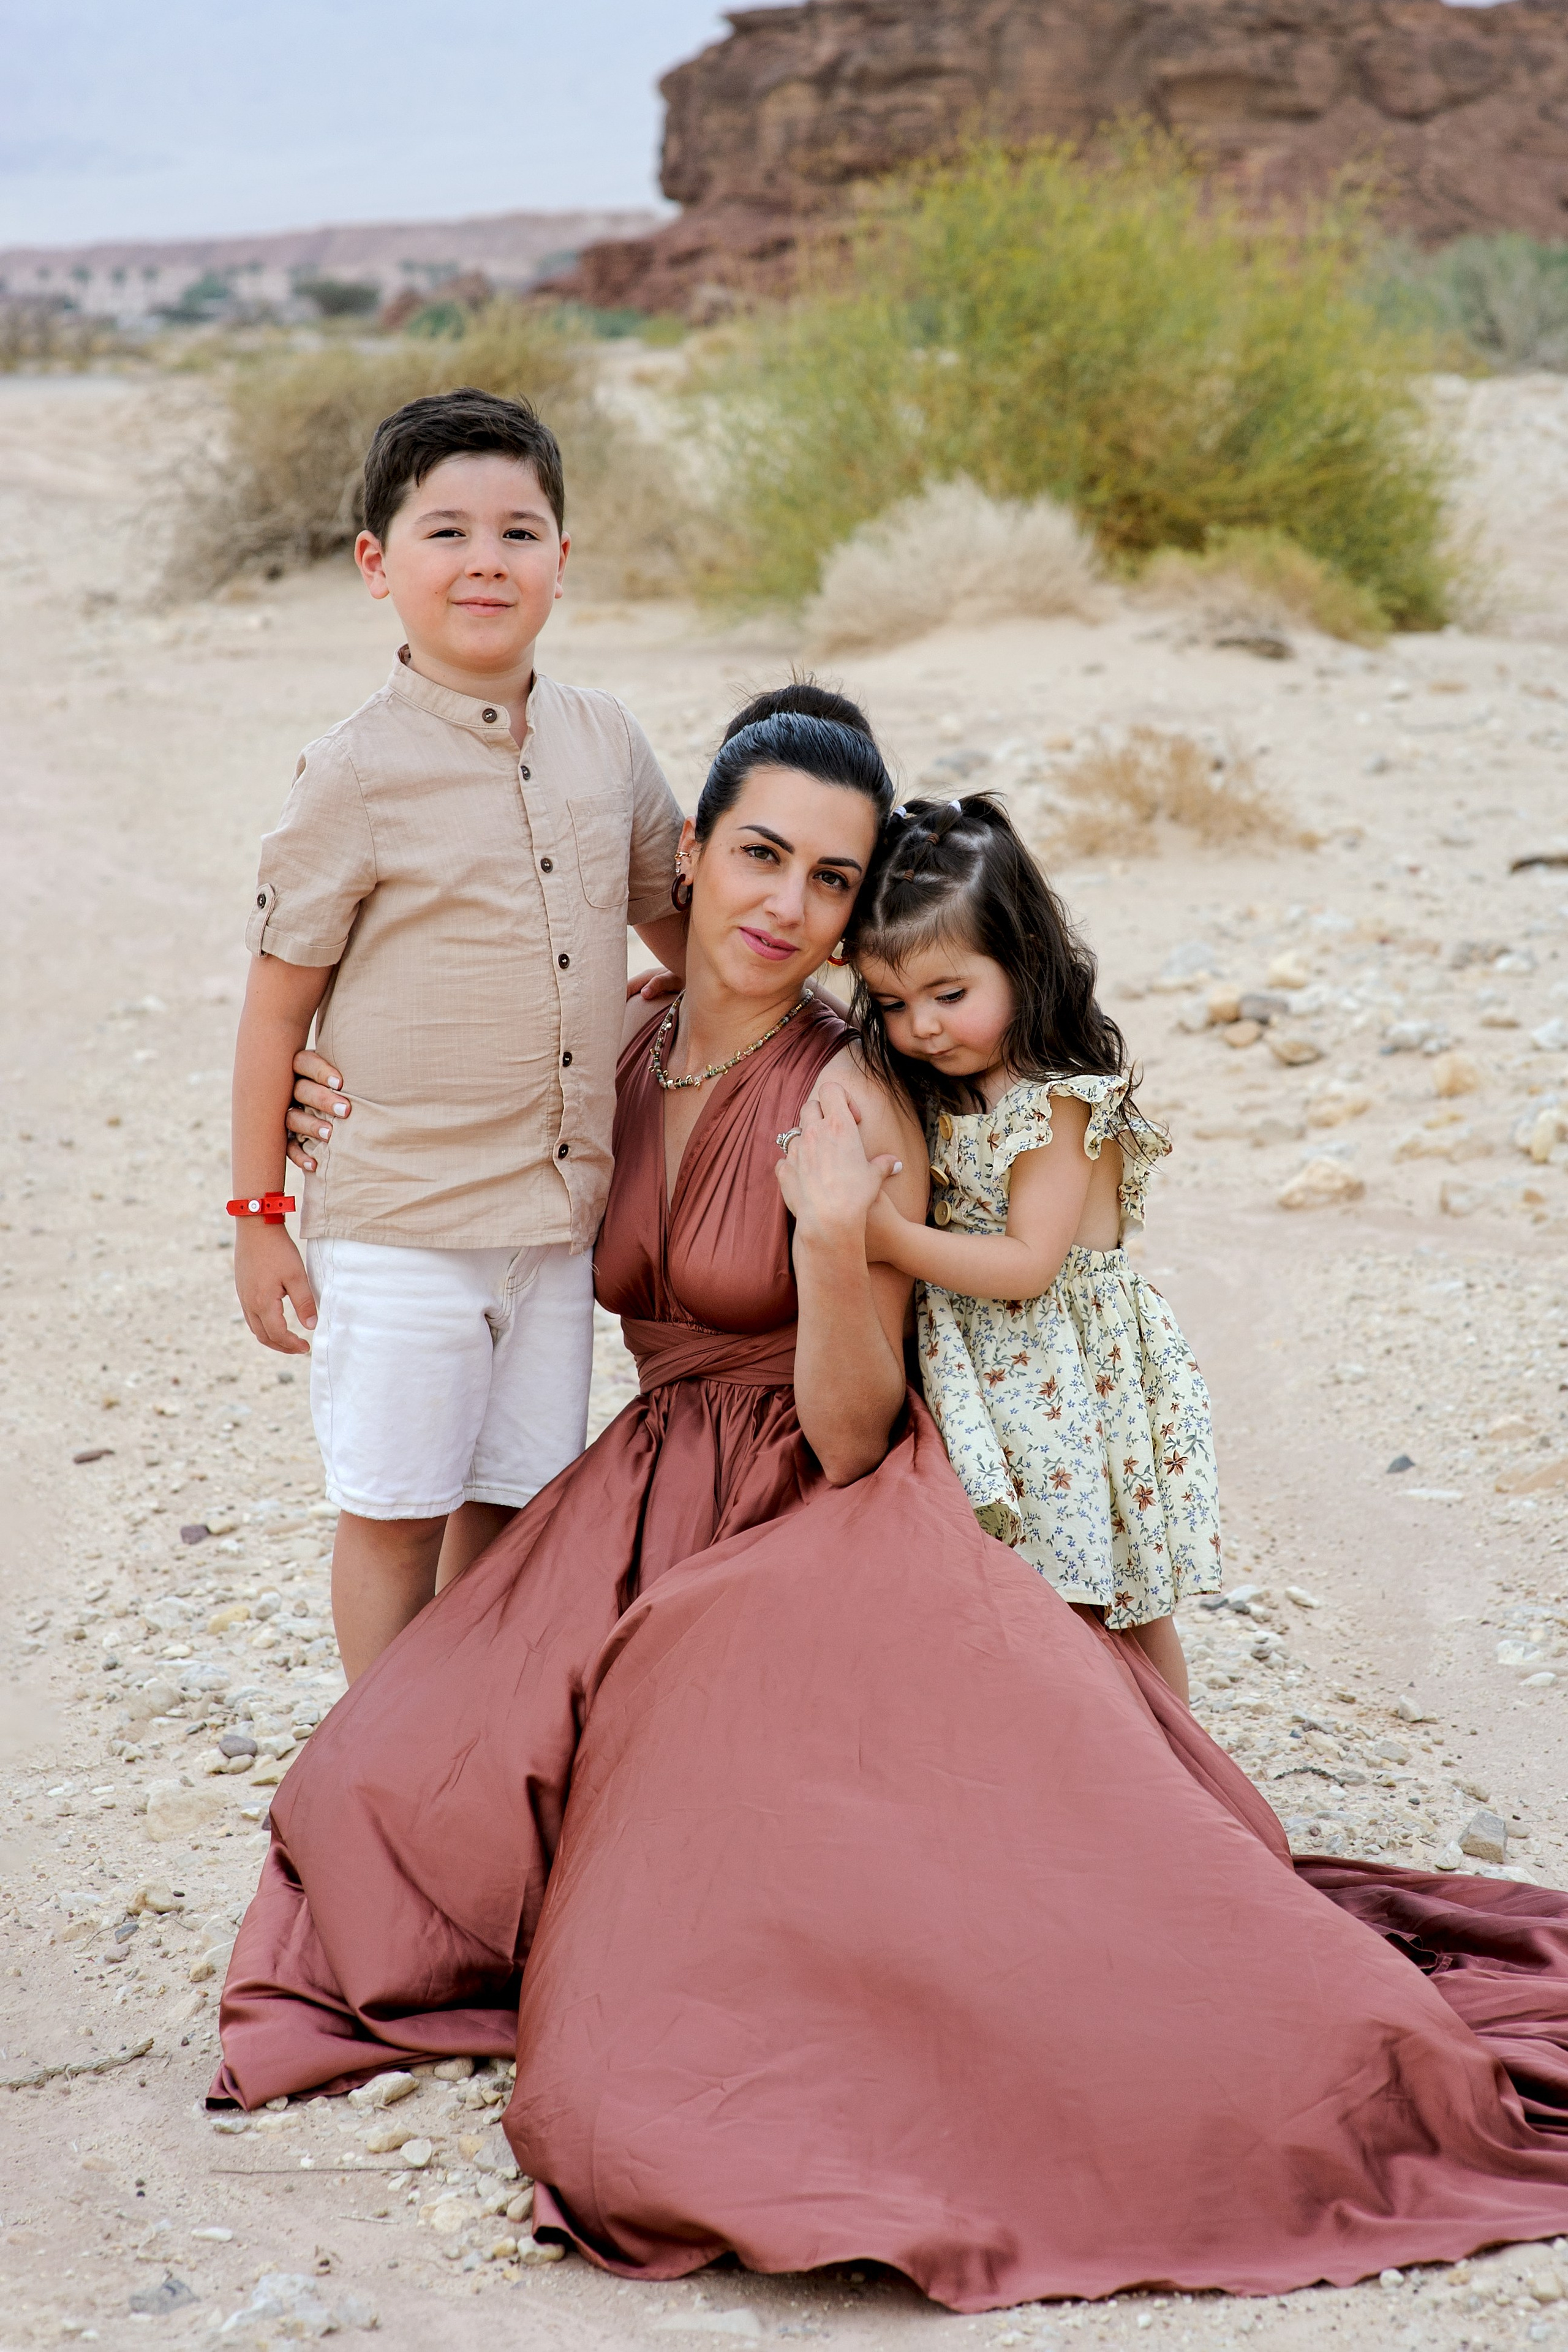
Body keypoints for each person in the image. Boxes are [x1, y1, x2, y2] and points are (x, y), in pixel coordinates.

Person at [216, 703, 1568, 2314]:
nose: (786, 904)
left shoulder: (848, 1096)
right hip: (636, 1487)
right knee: (383, 1811)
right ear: (695, 855)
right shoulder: (631, 1032)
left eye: (832, 881)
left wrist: (829, 1246)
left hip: (801, 1508)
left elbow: (852, 1430)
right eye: (762, 855)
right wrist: (315, 1096)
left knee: (721, 1932)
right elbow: (434, 1044)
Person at [228, 386, 687, 1679]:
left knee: (518, 1498)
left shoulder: (606, 743)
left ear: (561, 559)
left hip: (553, 1227)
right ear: (377, 565)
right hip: (401, 1223)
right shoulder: (354, 772)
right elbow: (276, 1002)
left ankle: (472, 1736)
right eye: (445, 532)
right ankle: (381, 1766)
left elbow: (676, 928)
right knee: (394, 1509)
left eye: (518, 531)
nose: (484, 559)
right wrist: (257, 1214)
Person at [845, 794, 1218, 1701]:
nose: (922, 1027)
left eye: (949, 995)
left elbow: (1025, 1266)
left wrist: (890, 1237)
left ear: (1026, 961)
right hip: (998, 1373)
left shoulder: (1052, 1101)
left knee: (1107, 1597)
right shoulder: (950, 1084)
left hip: (1067, 1371)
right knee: (1035, 1588)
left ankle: (1180, 1776)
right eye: (892, 1003)